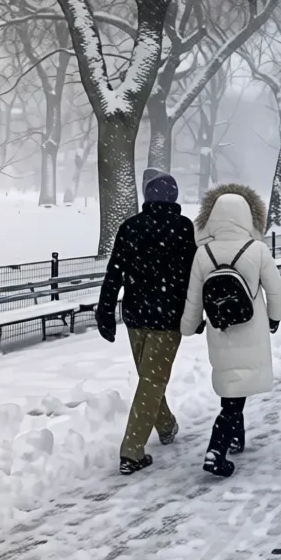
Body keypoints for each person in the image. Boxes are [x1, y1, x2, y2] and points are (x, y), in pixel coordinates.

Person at [95, 168, 197, 475]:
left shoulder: (131, 227)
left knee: (149, 379)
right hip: (168, 318)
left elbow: (114, 272)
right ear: (174, 197)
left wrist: (105, 311)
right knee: (152, 380)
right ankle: (132, 451)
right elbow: (194, 277)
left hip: (136, 316)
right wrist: (195, 313)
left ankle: (164, 426)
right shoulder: (183, 228)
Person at [181, 184, 281, 478]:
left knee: (231, 381)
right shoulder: (258, 250)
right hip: (251, 328)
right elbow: (275, 289)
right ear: (246, 217)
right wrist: (274, 318)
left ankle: (236, 438)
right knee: (235, 394)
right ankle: (216, 450)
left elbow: (194, 297)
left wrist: (189, 326)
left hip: (221, 329)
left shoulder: (203, 254)